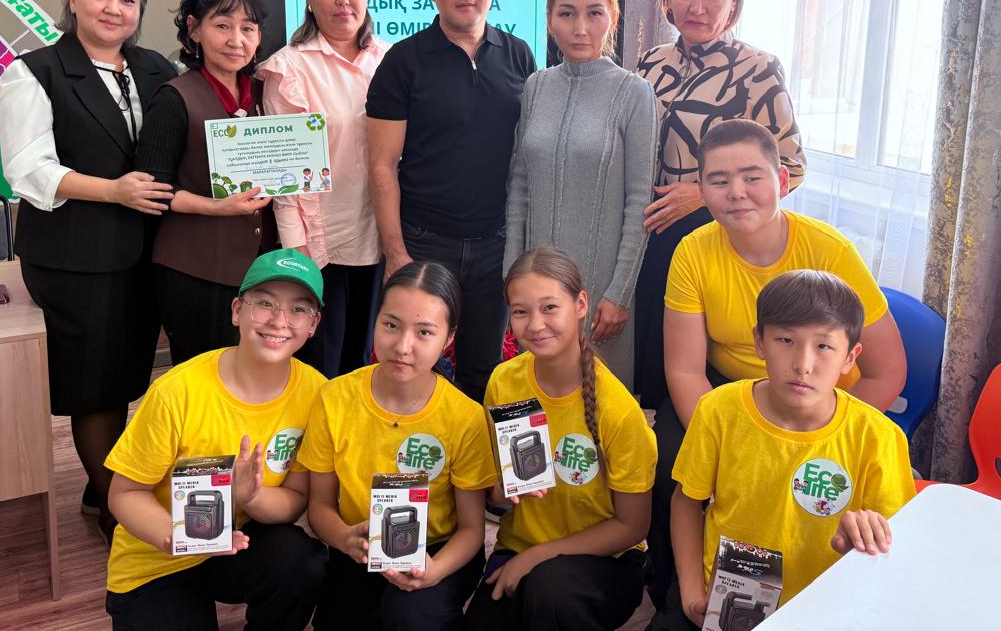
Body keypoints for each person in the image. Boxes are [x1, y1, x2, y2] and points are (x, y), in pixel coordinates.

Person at [647, 118, 906, 605]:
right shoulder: (693, 251)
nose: (736, 193)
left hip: (822, 399)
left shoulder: (830, 250)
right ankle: (678, 590)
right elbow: (684, 369)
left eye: (752, 177)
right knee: (672, 464)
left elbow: (887, 370)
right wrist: (728, 441)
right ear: (701, 189)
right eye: (719, 180)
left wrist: (824, 431)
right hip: (728, 394)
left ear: (782, 180)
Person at [0, 0, 177, 540]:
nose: (113, 8)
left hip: (146, 251)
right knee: (96, 386)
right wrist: (114, 191)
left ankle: (107, 485)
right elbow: (29, 170)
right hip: (75, 255)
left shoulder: (155, 69)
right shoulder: (34, 71)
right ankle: (113, 509)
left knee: (129, 376)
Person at [648, 270, 915, 629]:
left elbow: (893, 550)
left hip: (820, 613)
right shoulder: (718, 410)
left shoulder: (878, 437)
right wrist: (691, 591)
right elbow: (686, 501)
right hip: (723, 600)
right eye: (785, 340)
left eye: (824, 346)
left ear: (850, 357)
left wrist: (860, 541)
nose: (802, 364)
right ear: (759, 341)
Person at [103, 248, 329, 630]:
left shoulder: (316, 394)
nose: (279, 321)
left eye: (298, 309)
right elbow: (124, 494)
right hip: (158, 558)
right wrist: (175, 538)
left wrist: (250, 496)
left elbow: (294, 500)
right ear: (237, 310)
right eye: (265, 303)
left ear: (313, 324)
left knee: (300, 562)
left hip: (237, 543)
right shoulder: (178, 391)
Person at [635, 0, 807, 412]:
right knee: (649, 349)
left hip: (715, 230)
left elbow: (790, 166)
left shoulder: (757, 69)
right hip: (650, 227)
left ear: (734, 3)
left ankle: (707, 438)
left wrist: (702, 194)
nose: (698, 6)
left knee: (699, 355)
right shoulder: (650, 62)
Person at [367, 0, 537, 401]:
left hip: (496, 244)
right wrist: (396, 254)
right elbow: (382, 165)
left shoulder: (520, 55)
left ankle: (474, 450)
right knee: (413, 367)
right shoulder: (403, 62)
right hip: (425, 242)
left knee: (483, 372)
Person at [465, 247, 657, 631]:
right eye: (520, 311)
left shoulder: (618, 411)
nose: (536, 324)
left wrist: (537, 557)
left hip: (605, 562)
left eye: (550, 307)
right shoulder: (504, 382)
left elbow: (632, 527)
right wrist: (506, 492)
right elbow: (497, 492)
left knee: (551, 594)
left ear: (581, 304)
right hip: (518, 546)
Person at [300, 261, 496, 630]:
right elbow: (320, 506)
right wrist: (344, 537)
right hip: (359, 545)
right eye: (391, 325)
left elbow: (472, 529)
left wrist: (434, 570)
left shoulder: (465, 417)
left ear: (449, 338)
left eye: (424, 332)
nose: (403, 346)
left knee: (410, 616)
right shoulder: (335, 398)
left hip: (438, 549)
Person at [503, 0, 657, 385]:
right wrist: (511, 277)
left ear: (613, 19)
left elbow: (639, 203)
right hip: (534, 290)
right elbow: (519, 186)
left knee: (597, 406)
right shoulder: (536, 86)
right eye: (567, 13)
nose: (580, 28)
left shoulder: (634, 92)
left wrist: (619, 293)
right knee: (534, 399)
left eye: (594, 13)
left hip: (601, 291)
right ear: (550, 19)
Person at [258, 0, 391, 377]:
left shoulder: (391, 60)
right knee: (319, 365)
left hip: (383, 233)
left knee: (365, 362)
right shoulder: (289, 68)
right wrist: (296, 248)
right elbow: (285, 173)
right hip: (320, 242)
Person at [136, 0, 276, 363]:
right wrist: (217, 207)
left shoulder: (267, 92)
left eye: (248, 28)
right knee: (205, 376)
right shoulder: (175, 97)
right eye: (222, 25)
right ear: (194, 30)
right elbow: (153, 188)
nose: (236, 40)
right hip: (195, 270)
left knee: (254, 373)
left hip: (260, 266)